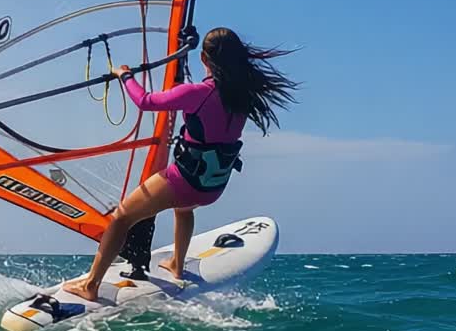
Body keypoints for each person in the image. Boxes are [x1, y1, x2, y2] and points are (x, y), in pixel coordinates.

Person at [62, 27, 298, 301]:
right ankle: (177, 264)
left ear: (204, 60)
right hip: (212, 185)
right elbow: (196, 101)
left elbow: (146, 101)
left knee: (122, 217)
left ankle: (90, 285)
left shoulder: (198, 93)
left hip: (184, 180)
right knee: (183, 211)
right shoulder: (241, 96)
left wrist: (125, 76)